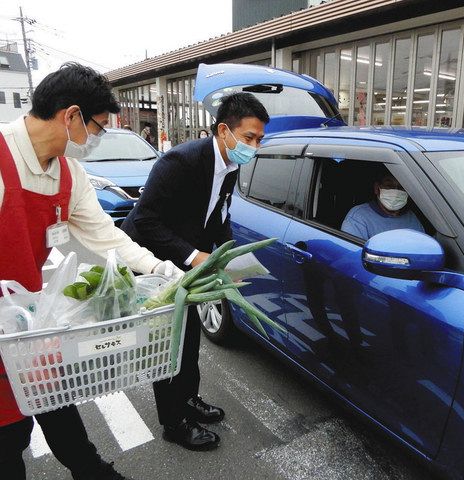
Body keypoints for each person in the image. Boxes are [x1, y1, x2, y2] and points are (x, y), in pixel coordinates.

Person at [0, 63, 182, 480]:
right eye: (98, 127)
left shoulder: (69, 172)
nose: (97, 139)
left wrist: (161, 268)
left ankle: (93, 471)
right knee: (9, 438)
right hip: (3, 329)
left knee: (54, 397)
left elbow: (107, 237)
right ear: (71, 116)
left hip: (26, 325)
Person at [121, 93, 269, 451]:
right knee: (165, 344)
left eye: (259, 140)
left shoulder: (231, 167)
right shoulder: (179, 162)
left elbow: (220, 217)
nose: (254, 147)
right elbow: (145, 220)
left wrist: (229, 258)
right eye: (249, 138)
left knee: (188, 337)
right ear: (224, 130)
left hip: (186, 260)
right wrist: (194, 256)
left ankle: (187, 400)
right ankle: (173, 423)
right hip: (150, 261)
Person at [341, 169, 424, 239]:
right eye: (389, 185)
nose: (395, 191)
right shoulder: (358, 217)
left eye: (401, 187)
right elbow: (353, 253)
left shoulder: (411, 217)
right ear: (377, 188)